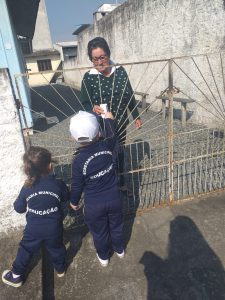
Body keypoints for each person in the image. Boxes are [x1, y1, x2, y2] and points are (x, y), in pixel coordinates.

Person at [80, 37, 142, 192]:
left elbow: (129, 95)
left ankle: (120, 182)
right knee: (102, 154)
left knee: (119, 152)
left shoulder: (120, 71)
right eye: (95, 59)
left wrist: (136, 116)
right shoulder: (89, 77)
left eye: (102, 57)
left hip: (120, 122)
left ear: (108, 54)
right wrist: (92, 107)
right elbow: (85, 101)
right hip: (99, 125)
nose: (100, 62)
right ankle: (104, 184)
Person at [2, 146, 69, 287]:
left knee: (25, 250)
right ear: (50, 166)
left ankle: (15, 276)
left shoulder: (27, 187)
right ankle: (61, 269)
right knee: (57, 247)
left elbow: (19, 208)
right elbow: (65, 197)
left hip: (34, 230)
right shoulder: (58, 184)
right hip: (54, 227)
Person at [69, 111, 124, 267]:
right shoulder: (108, 144)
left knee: (99, 232)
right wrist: (108, 119)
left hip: (93, 204)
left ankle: (104, 256)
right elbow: (113, 135)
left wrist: (74, 201)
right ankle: (120, 250)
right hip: (114, 198)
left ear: (74, 138)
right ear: (99, 132)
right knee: (117, 226)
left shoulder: (78, 161)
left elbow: (77, 184)